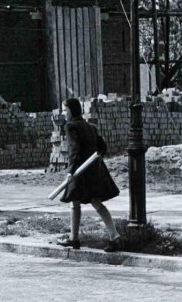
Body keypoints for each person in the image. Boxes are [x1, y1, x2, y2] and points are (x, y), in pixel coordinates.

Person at [57, 97, 122, 253]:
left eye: (65, 110)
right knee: (96, 202)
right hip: (93, 170)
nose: (63, 113)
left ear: (71, 111)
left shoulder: (70, 126)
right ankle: (115, 236)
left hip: (80, 171)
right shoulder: (90, 126)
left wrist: (70, 172)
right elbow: (102, 147)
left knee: (75, 203)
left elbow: (74, 151)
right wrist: (96, 158)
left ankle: (74, 239)